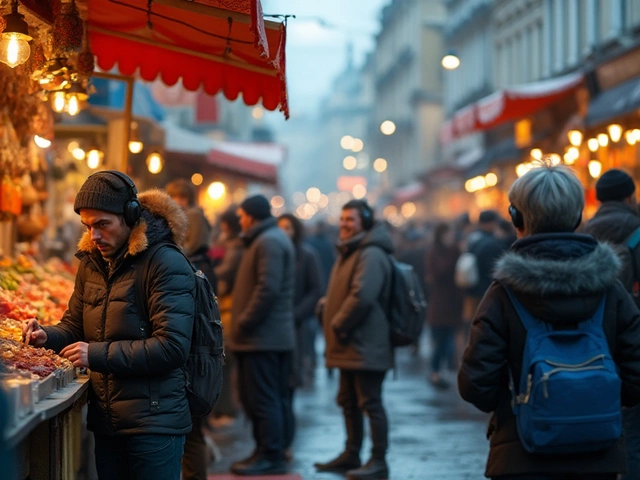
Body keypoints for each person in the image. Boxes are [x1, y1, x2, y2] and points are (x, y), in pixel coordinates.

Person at [458, 162, 640, 480]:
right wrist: (594, 397)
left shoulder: (502, 293)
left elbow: (476, 384)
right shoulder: (611, 289)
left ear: (517, 218)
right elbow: (637, 372)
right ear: (578, 217)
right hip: (598, 456)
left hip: (521, 457)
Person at [23, 171, 195, 480]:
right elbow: (75, 326)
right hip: (108, 423)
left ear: (130, 216)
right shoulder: (92, 264)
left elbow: (172, 347)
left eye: (103, 225)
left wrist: (96, 355)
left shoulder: (166, 264)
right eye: (88, 227)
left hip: (154, 425)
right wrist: (45, 335)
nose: (95, 236)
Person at [314, 199, 393, 480]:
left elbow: (362, 296)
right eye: (343, 218)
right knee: (347, 400)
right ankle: (351, 453)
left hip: (365, 342)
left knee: (370, 402)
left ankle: (378, 461)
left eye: (352, 219)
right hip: (349, 342)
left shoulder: (370, 253)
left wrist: (337, 323)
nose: (345, 224)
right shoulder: (350, 250)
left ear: (366, 222)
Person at [228, 195, 296, 476]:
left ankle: (271, 454)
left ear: (252, 216)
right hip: (263, 337)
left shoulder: (268, 241)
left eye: (242, 215)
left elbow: (268, 289)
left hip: (262, 338)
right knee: (262, 398)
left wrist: (244, 322)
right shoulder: (266, 239)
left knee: (263, 399)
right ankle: (264, 450)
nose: (240, 220)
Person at [581, 168, 640, 480]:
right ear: (630, 196)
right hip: (636, 337)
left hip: (595, 344)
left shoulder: (584, 235)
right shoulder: (638, 227)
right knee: (635, 429)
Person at [165, 179, 217, 478]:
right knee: (191, 431)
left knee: (192, 432)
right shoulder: (195, 264)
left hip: (192, 362)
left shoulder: (190, 268)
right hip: (195, 359)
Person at [278, 213, 323, 387]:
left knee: (294, 371)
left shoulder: (307, 255)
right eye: (280, 227)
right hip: (277, 322)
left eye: (287, 228)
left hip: (299, 322)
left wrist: (297, 313)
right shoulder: (272, 254)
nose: (283, 232)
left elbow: (315, 289)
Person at [209, 209, 244, 427]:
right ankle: (226, 408)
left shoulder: (235, 247)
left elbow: (225, 273)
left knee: (225, 361)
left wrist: (210, 272)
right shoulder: (232, 244)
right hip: (226, 309)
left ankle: (227, 409)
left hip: (228, 310)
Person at [425, 222, 463, 389]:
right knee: (441, 340)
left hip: (453, 303)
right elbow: (439, 273)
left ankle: (443, 371)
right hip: (441, 304)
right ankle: (436, 372)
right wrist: (455, 254)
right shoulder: (437, 253)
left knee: (448, 338)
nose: (451, 237)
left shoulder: (453, 251)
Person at [165, 178, 217, 292]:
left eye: (182, 197)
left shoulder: (193, 214)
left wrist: (171, 257)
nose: (178, 201)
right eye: (174, 197)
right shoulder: (177, 215)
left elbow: (193, 244)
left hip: (195, 265)